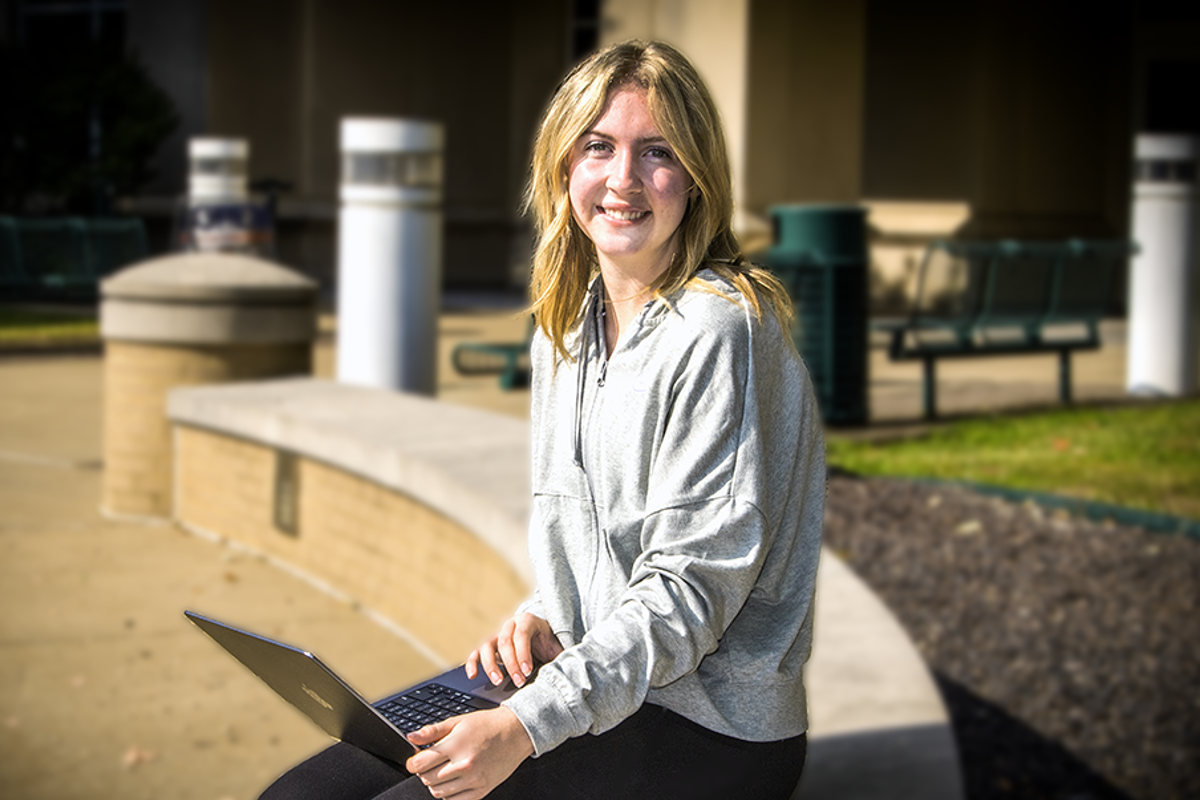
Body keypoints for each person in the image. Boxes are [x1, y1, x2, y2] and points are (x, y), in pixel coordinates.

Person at [259, 39, 824, 800]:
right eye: (599, 147)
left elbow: (687, 595)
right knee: (295, 798)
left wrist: (524, 725)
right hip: (600, 682)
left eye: (656, 152)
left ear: (695, 177)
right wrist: (546, 613)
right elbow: (601, 536)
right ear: (565, 167)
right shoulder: (566, 328)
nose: (623, 179)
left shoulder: (719, 330)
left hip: (712, 727)